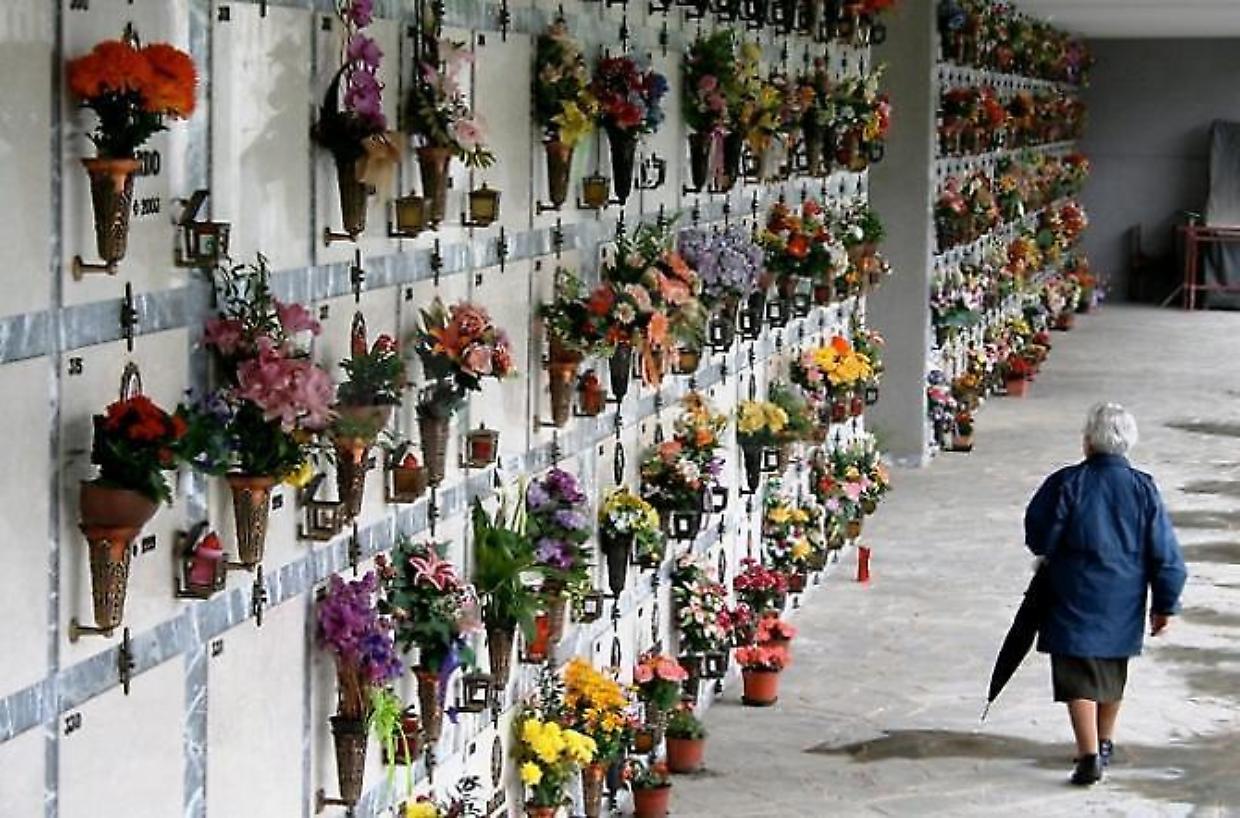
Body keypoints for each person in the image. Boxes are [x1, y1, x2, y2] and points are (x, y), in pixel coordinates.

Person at [1024, 402, 1187, 786]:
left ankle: (1089, 754)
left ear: (1088, 442)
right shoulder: (1143, 488)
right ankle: (1106, 740)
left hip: (1072, 590)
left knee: (1075, 673)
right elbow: (1166, 552)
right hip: (1124, 595)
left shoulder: (1067, 482)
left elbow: (1039, 536)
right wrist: (1166, 603)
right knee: (1113, 668)